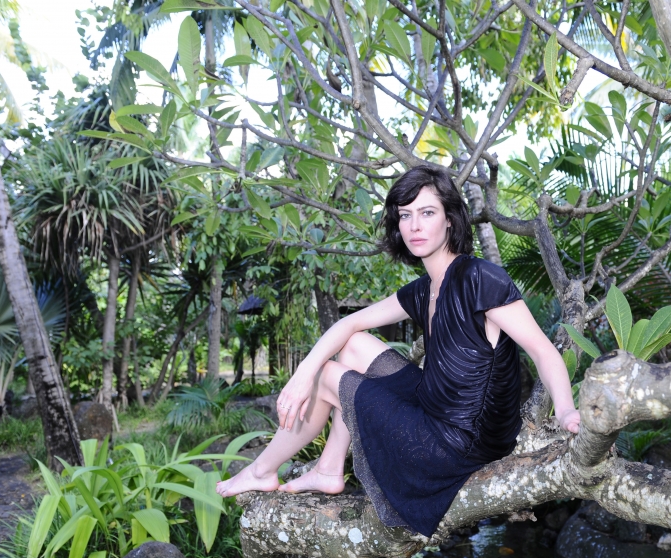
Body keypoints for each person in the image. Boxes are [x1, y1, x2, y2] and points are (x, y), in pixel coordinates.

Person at [216, 164, 580, 537]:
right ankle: (328, 468)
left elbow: (542, 350)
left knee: (327, 376)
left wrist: (566, 410)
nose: (414, 226)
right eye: (405, 215)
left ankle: (261, 470)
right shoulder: (425, 288)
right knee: (353, 345)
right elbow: (349, 324)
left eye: (427, 213)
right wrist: (301, 373)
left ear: (450, 219)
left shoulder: (479, 278)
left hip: (458, 443)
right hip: (436, 410)